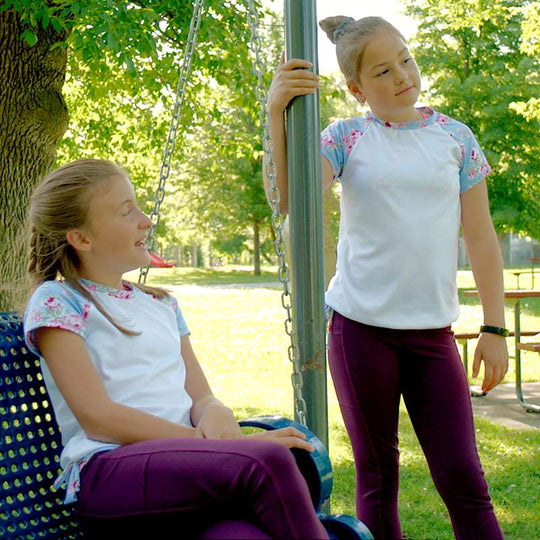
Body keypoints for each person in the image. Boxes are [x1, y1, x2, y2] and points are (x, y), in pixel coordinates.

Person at [265, 15, 508, 540]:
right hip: (360, 332)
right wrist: (276, 115)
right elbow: (289, 202)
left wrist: (494, 329)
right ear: (355, 89)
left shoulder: (456, 139)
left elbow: (483, 238)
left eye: (405, 59)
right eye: (382, 70)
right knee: (378, 476)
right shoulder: (346, 137)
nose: (402, 76)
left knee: (464, 477)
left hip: (433, 336)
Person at [23, 158, 329, 540]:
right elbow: (98, 417)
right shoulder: (59, 301)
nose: (145, 219)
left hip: (184, 472)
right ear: (82, 238)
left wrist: (216, 411)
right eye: (126, 210)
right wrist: (218, 447)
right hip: (109, 472)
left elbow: (199, 394)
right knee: (267, 461)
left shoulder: (160, 303)